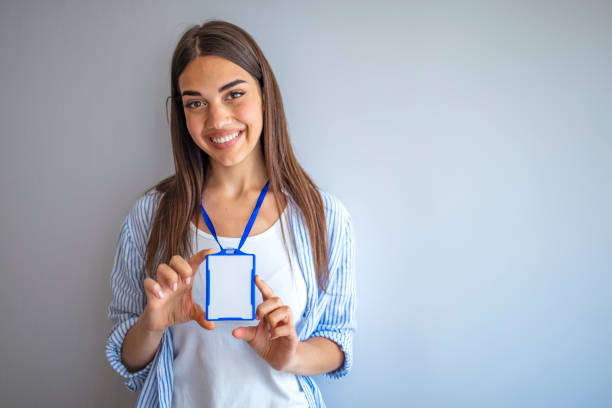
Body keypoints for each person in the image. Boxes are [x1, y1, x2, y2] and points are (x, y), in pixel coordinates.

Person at [105, 20, 356, 408]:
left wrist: (291, 355)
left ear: (264, 94)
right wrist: (151, 325)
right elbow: (126, 358)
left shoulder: (323, 216)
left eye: (234, 94)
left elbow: (339, 341)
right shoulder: (150, 214)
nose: (217, 120)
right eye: (195, 103)